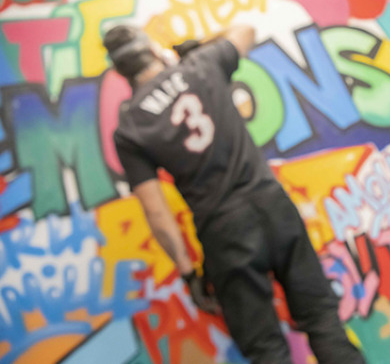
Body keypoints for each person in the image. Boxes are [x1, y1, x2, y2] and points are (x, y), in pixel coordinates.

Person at [104, 25, 365, 364]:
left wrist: (187, 271)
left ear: (120, 70)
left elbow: (156, 212)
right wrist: (192, 46)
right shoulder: (200, 65)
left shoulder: (130, 128)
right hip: (273, 204)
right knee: (321, 319)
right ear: (152, 50)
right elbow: (245, 30)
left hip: (224, 230)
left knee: (266, 349)